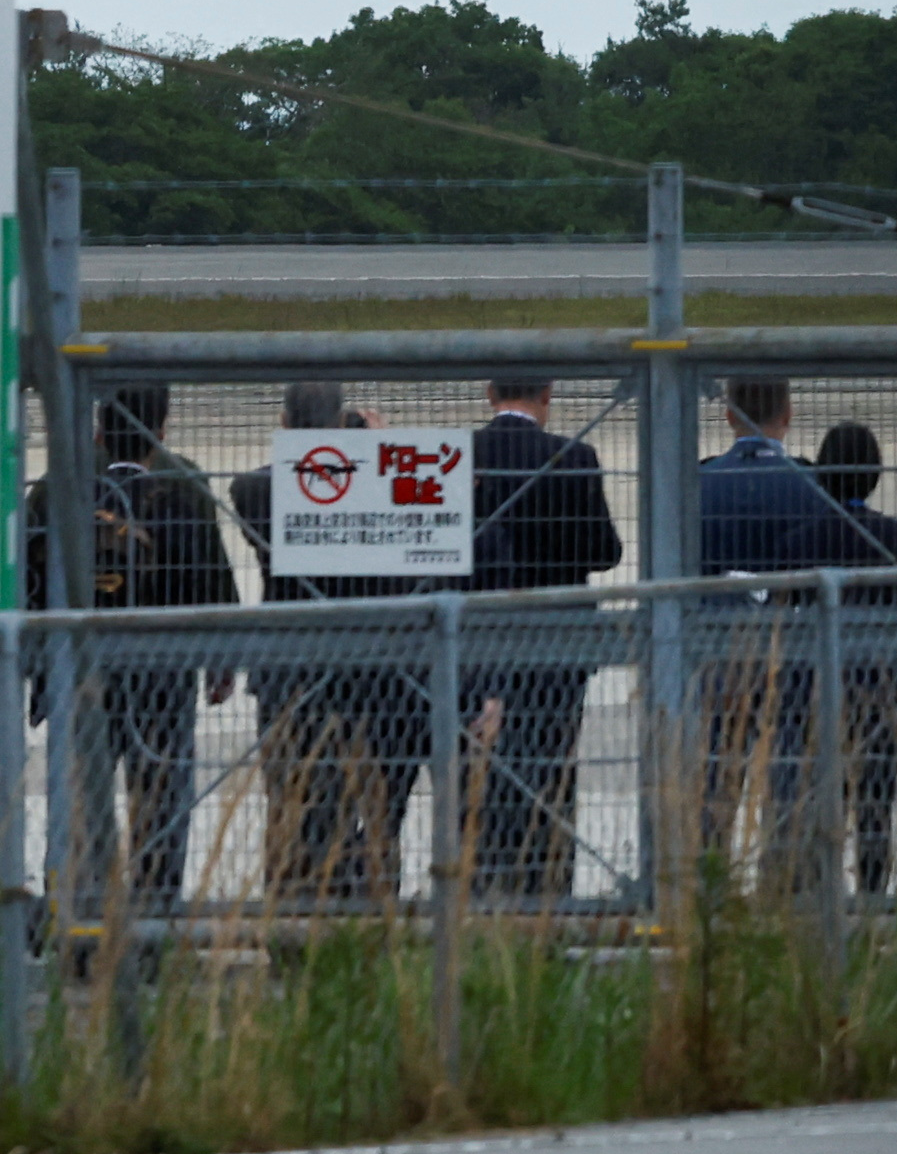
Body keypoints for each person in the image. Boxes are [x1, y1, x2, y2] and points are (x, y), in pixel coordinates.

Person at [31, 383, 238, 916]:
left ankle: (80, 916)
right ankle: (153, 916)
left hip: (79, 669)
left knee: (79, 798)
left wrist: (35, 665)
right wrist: (220, 658)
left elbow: (32, 578)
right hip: (162, 672)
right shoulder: (184, 486)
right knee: (161, 799)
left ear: (99, 428)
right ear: (161, 431)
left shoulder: (59, 487)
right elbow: (211, 579)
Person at [225, 375, 422, 908]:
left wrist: (329, 447)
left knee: (296, 811)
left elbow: (259, 482)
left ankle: (294, 922)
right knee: (376, 818)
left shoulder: (257, 491)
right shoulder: (373, 481)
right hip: (377, 673)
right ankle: (368, 917)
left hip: (292, 670)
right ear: (340, 424)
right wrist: (376, 451)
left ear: (285, 426)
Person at [688, 373, 886, 886]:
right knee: (786, 777)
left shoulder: (701, 482)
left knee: (715, 778)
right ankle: (784, 884)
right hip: (788, 653)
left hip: (715, 650)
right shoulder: (812, 485)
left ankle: (713, 883)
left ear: (728, 414)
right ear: (788, 414)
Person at [460, 371, 627, 905]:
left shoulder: (461, 455)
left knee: (483, 771)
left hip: (480, 638)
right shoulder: (574, 457)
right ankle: (549, 892)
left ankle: (486, 889)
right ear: (548, 395)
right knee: (553, 770)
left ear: (490, 394)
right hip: (559, 641)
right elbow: (604, 552)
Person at [805, 422, 897, 896]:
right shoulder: (895, 536)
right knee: (876, 801)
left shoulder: (806, 538)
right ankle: (872, 892)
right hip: (884, 691)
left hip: (821, 692)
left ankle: (819, 894)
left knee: (821, 797)